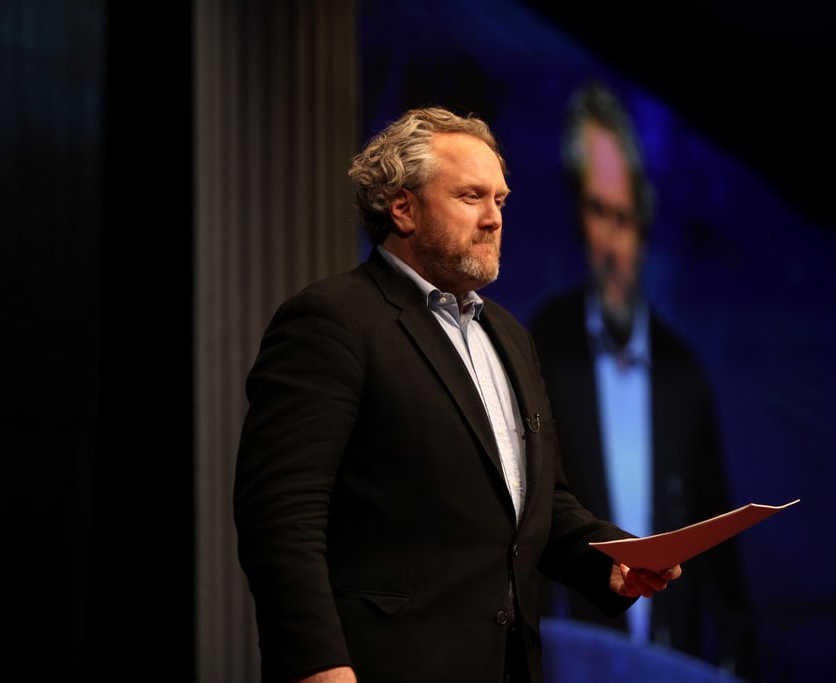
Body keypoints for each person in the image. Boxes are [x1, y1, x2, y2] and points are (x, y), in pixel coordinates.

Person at [232, 106, 682, 683]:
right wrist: (317, 664)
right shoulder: (333, 321)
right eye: (471, 197)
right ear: (403, 208)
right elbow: (281, 516)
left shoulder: (511, 337)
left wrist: (614, 558)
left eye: (500, 200)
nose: (494, 219)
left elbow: (538, 505)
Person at [528, 81, 758, 679]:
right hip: (568, 662)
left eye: (623, 219)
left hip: (669, 663)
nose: (609, 242)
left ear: (647, 224)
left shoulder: (684, 373)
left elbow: (720, 552)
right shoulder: (541, 345)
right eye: (596, 214)